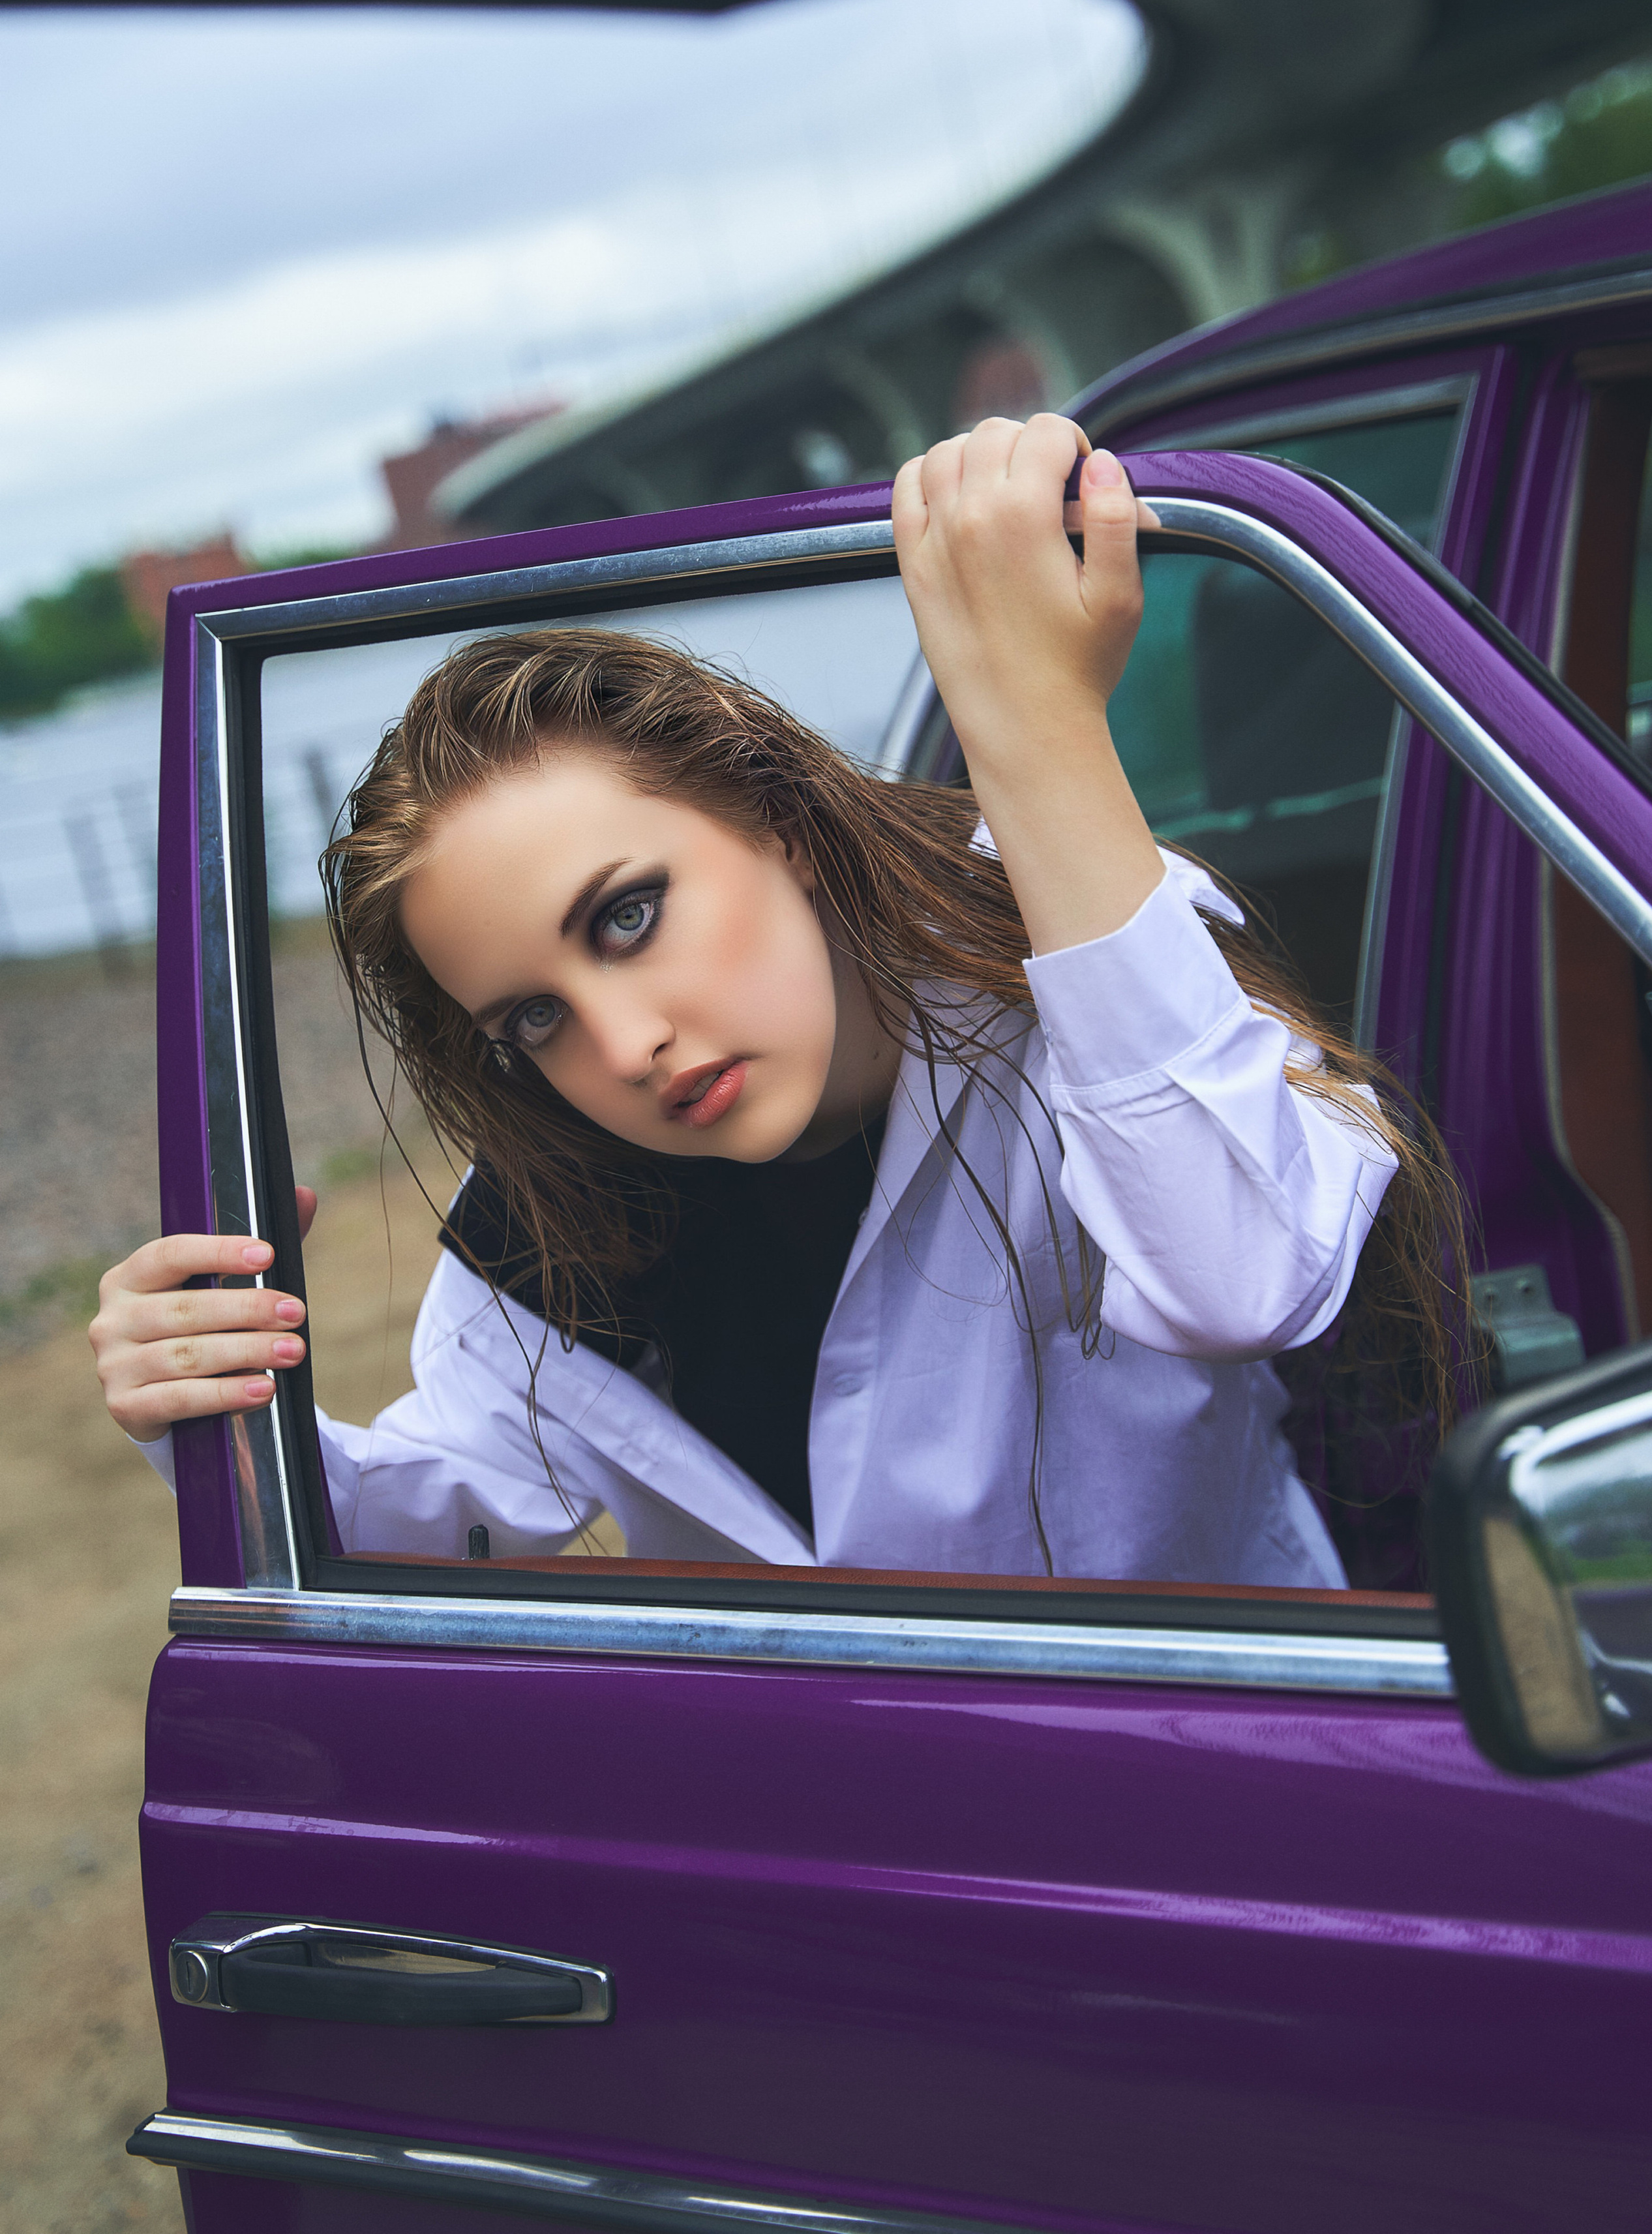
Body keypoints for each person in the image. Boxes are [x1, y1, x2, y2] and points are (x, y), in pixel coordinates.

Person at [91, 417, 1465, 1583]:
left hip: (1221, 1817)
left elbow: (1242, 1274)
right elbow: (448, 1514)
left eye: (628, 916)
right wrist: (217, 1407)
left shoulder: (1095, 992)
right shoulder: (546, 1219)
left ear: (779, 819)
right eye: (533, 1019)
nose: (625, 1046)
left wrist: (1033, 726)